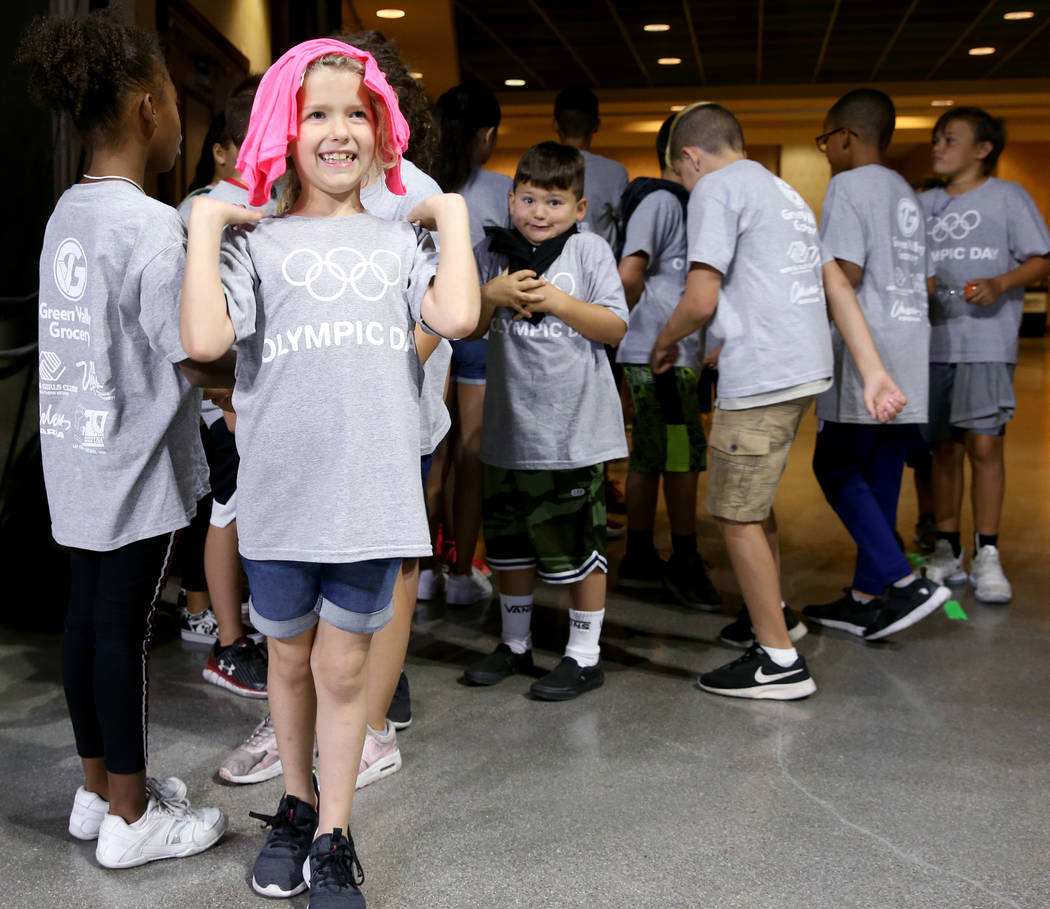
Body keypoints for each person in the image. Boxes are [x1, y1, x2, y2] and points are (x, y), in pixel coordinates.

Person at [180, 39, 478, 907]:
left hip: (371, 497)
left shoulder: (400, 241)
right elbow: (203, 342)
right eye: (317, 113)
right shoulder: (255, 242)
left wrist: (449, 215)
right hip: (280, 496)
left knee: (345, 669)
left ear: (385, 135)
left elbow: (457, 314)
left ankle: (337, 829)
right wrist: (207, 224)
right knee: (289, 656)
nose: (338, 129)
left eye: (357, 113)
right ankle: (296, 805)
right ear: (285, 127)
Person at [18, 10, 227, 867]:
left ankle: (98, 788)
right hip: (136, 472)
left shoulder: (67, 211)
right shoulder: (152, 227)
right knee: (125, 635)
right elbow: (193, 350)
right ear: (147, 107)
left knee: (85, 624)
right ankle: (134, 821)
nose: (182, 120)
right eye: (177, 101)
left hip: (75, 455)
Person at [651, 103, 907, 700]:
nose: (688, 187)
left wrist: (666, 345)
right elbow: (834, 284)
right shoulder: (783, 191)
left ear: (691, 158)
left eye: (682, 176)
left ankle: (778, 661)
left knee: (734, 512)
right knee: (753, 502)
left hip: (762, 375)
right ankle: (778, 617)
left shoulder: (715, 188)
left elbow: (700, 299)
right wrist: (871, 370)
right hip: (801, 368)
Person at [462, 141, 628, 700]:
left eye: (554, 203)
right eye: (528, 199)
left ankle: (585, 655)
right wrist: (490, 293)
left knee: (579, 546)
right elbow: (469, 328)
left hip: (572, 433)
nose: (539, 213)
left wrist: (557, 301)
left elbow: (614, 328)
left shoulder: (590, 253)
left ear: (579, 209)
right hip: (511, 429)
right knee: (510, 542)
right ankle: (515, 643)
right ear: (510, 200)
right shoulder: (493, 253)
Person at [802, 88, 951, 639]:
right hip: (911, 344)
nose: (825, 151)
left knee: (835, 467)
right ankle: (868, 597)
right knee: (882, 476)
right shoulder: (906, 193)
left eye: (825, 140)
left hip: (866, 348)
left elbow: (846, 272)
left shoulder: (847, 185)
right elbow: (931, 282)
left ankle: (904, 582)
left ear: (845, 136)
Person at [918, 106, 1050, 601]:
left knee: (986, 446)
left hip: (987, 343)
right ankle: (946, 547)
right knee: (942, 450)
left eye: (949, 139)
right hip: (932, 346)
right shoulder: (921, 202)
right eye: (936, 138)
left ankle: (987, 552)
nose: (937, 147)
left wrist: (1000, 283)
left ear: (982, 149)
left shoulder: (1008, 197)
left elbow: (1041, 257)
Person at [178, 74, 273, 699]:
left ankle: (245, 629)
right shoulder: (207, 211)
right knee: (228, 508)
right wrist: (223, 399)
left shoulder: (263, 202)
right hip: (227, 399)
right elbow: (199, 330)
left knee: (245, 508)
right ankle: (228, 643)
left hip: (257, 393)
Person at [615, 114, 720, 611]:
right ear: (682, 153)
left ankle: (644, 554)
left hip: (674, 353)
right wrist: (615, 333)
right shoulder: (660, 200)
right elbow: (629, 273)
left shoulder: (690, 203)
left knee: (663, 456)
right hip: (658, 352)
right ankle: (678, 558)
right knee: (677, 458)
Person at [429, 82, 511, 605]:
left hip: (428, 328)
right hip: (479, 323)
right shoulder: (502, 189)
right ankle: (461, 574)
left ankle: (422, 572)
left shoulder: (415, 183)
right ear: (487, 135)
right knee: (470, 453)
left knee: (430, 452)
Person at [552, 88, 628, 252]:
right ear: (597, 125)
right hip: (601, 273)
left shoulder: (537, 167)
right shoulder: (614, 172)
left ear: (555, 125)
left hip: (548, 273)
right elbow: (625, 231)